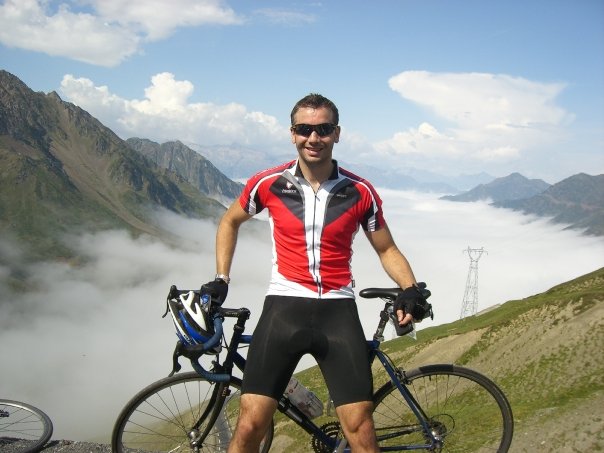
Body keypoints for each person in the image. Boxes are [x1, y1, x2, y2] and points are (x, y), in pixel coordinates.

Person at [203, 93, 425, 453]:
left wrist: (410, 287)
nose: (314, 137)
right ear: (292, 134)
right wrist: (221, 278)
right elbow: (230, 221)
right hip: (283, 306)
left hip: (337, 310)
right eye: (305, 129)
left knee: (360, 425)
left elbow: (386, 248)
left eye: (323, 129)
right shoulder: (268, 183)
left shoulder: (360, 191)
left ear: (337, 134)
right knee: (250, 423)